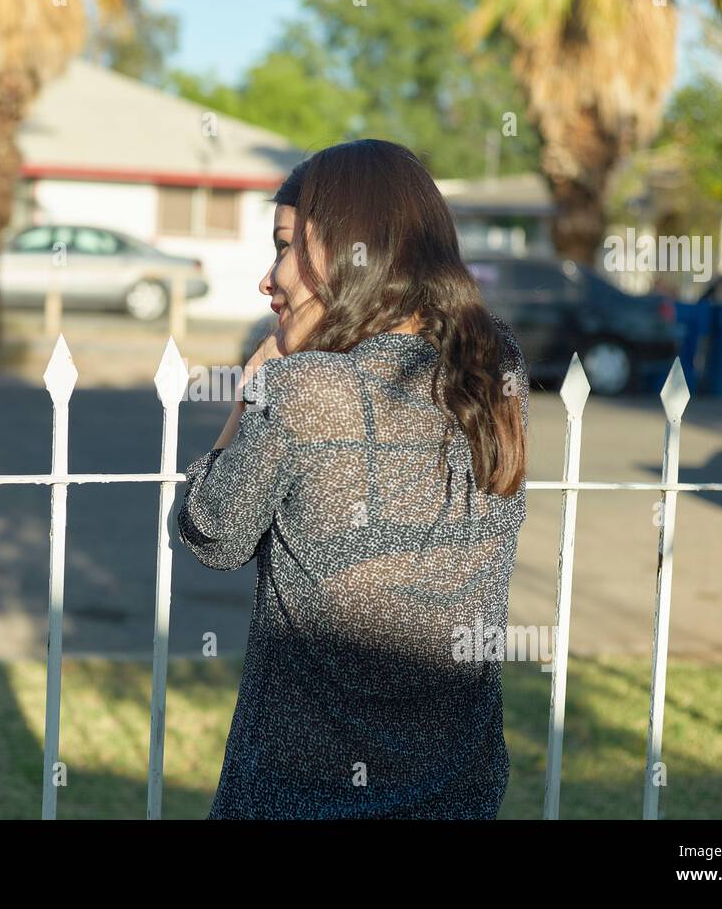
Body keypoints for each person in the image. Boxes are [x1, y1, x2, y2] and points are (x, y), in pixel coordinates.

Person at [176, 138, 529, 819]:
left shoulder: (304, 390)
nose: (268, 278)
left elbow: (209, 533)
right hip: (458, 792)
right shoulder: (492, 370)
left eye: (283, 247)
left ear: (346, 250)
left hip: (296, 798)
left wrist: (251, 395)